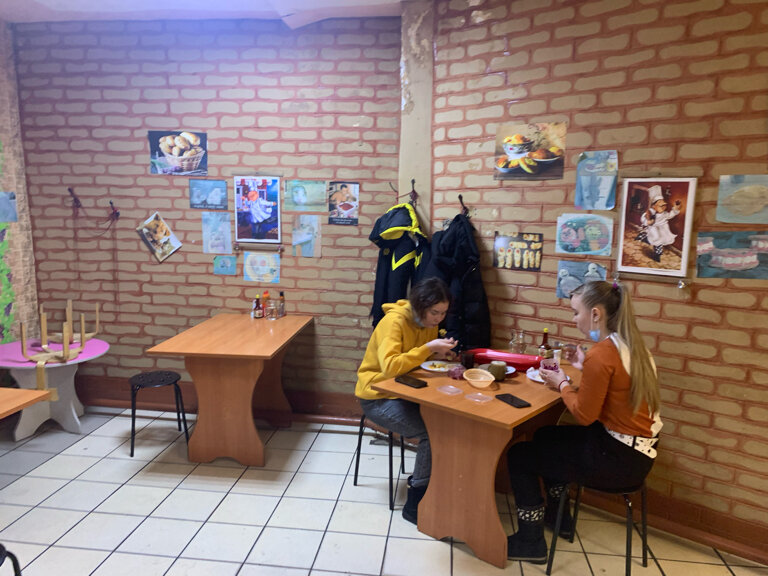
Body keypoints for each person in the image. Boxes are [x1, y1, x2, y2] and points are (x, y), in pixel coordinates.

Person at [506, 280, 662, 564]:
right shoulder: (630, 345)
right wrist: (582, 367)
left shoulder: (602, 354)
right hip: (637, 453)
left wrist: (562, 382)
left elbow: (584, 415)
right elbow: (612, 395)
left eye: (576, 312)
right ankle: (559, 517)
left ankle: (530, 542)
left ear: (596, 314)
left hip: (618, 460)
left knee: (519, 455)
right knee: (546, 435)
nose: (574, 319)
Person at [355, 277, 458, 524]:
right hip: (377, 396)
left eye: (443, 313)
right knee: (431, 433)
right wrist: (429, 348)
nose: (439, 319)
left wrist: (443, 354)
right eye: (435, 312)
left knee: (447, 421)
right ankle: (415, 503)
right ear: (420, 306)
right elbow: (390, 367)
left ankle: (437, 486)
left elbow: (419, 360)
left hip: (404, 391)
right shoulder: (395, 321)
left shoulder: (428, 324)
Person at [636, 185, 682, 262]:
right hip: (654, 230)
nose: (663, 207)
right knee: (655, 239)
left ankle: (657, 254)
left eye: (664, 205)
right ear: (654, 206)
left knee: (659, 242)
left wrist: (675, 209)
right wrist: (648, 222)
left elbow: (670, 215)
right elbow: (644, 218)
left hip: (663, 230)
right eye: (661, 205)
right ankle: (643, 237)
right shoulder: (650, 212)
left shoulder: (664, 214)